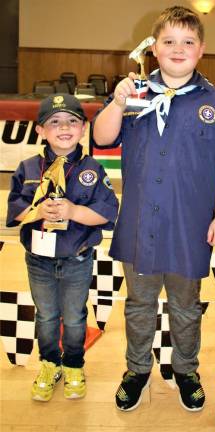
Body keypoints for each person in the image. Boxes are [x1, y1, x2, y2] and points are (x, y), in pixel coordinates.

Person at [92, 5, 215, 412]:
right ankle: (137, 369)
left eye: (188, 42)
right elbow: (103, 139)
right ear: (153, 48)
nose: (178, 49)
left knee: (186, 305)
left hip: (189, 226)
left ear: (202, 50)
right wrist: (117, 102)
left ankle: (185, 369)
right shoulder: (136, 91)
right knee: (139, 304)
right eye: (169, 41)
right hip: (141, 224)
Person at [6, 94, 118, 402]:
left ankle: (73, 364)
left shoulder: (93, 169)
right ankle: (49, 363)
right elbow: (13, 210)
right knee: (45, 315)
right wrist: (37, 212)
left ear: (84, 128)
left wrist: (72, 212)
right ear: (40, 130)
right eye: (54, 122)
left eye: (72, 121)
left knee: (73, 316)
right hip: (37, 260)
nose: (63, 128)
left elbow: (107, 213)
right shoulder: (27, 168)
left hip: (77, 259)